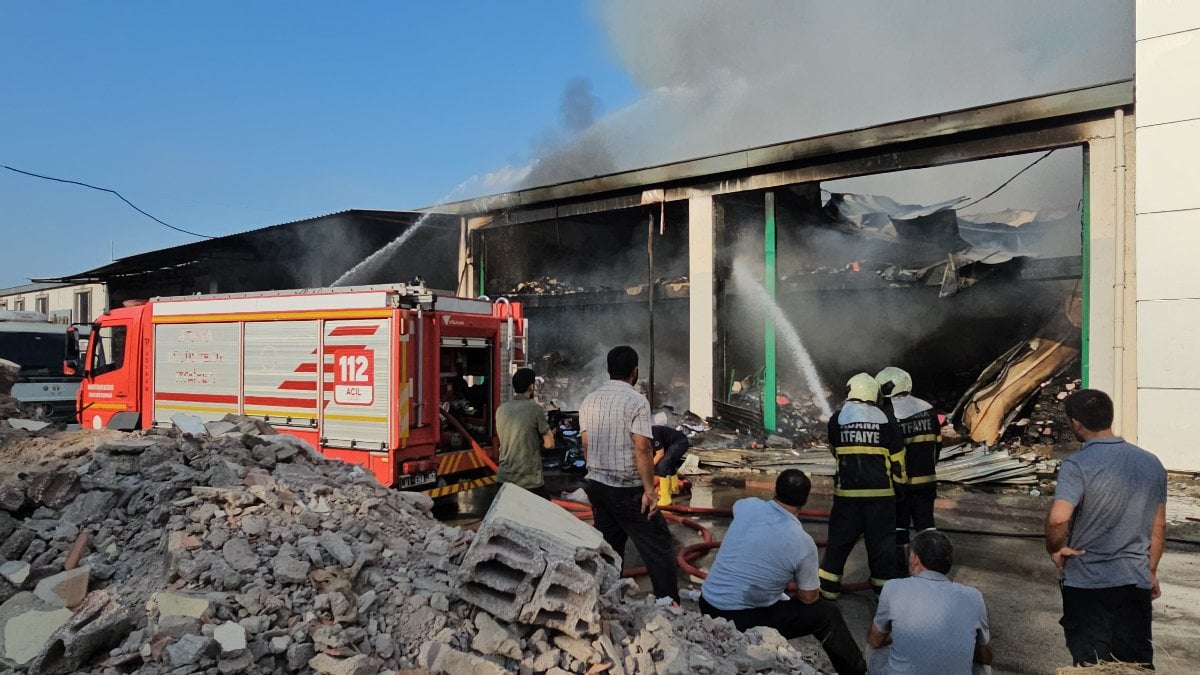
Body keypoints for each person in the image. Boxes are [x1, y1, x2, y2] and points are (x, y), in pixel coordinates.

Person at [699, 469, 867, 675]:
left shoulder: (748, 506)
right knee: (827, 614)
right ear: (805, 499)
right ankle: (857, 672)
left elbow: (739, 508)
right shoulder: (803, 543)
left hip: (707, 603)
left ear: (775, 490)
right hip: (738, 619)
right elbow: (808, 598)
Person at [1045, 389, 1167, 668]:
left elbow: (1058, 519)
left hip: (1088, 583)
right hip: (1134, 581)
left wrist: (1055, 547)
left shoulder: (1076, 464)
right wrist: (1151, 572)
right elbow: (1158, 525)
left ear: (1076, 423)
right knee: (1133, 666)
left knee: (1092, 666)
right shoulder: (1151, 462)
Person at [579, 346, 678, 601]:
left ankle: (608, 600)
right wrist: (649, 491)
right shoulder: (636, 401)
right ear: (635, 371)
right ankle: (669, 605)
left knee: (610, 548)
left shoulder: (590, 400)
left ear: (609, 370)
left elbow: (586, 444)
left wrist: (595, 473)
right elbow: (642, 447)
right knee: (659, 545)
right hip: (627, 489)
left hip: (597, 485)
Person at [818, 373, 905, 599]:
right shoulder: (887, 421)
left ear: (851, 392)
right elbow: (898, 461)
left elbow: (835, 452)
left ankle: (827, 593)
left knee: (838, 544)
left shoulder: (837, 419)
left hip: (847, 497)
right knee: (882, 548)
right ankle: (884, 597)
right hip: (882, 499)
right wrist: (901, 489)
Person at [867, 530, 993, 674]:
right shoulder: (974, 597)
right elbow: (986, 657)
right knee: (982, 667)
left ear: (914, 559)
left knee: (875, 648)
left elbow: (875, 640)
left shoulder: (893, 587)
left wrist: (899, 636)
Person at [876, 366, 941, 576]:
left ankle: (900, 574)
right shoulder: (928, 409)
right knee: (927, 528)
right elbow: (937, 446)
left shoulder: (887, 413)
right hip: (926, 480)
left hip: (898, 485)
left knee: (898, 531)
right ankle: (933, 572)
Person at [494, 367, 554, 497]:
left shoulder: (501, 410)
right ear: (531, 387)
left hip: (503, 479)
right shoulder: (535, 409)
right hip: (529, 482)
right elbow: (549, 444)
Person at [651, 425, 690, 506]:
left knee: (663, 465)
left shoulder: (653, 434)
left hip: (680, 442)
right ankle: (674, 489)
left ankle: (666, 498)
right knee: (669, 464)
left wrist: (648, 467)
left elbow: (660, 454)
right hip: (671, 444)